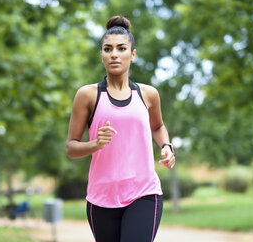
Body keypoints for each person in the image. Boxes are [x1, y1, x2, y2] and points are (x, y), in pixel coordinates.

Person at [65, 15, 176, 242]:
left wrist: (166, 145)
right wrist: (95, 143)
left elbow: (158, 126)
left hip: (144, 193)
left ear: (132, 55)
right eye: (108, 49)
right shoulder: (87, 95)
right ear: (102, 55)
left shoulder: (148, 95)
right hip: (101, 198)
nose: (114, 54)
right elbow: (71, 147)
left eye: (121, 48)